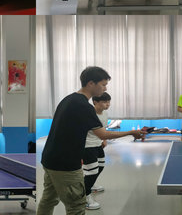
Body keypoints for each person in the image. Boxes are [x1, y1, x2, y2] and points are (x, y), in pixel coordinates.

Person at [38, 66, 144, 215]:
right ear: (91, 84)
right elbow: (103, 135)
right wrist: (131, 132)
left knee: (48, 200)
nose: (105, 88)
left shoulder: (68, 99)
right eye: (103, 84)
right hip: (66, 164)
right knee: (76, 205)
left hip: (49, 159)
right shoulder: (84, 106)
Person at [82, 92, 111, 210]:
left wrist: (104, 139)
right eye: (104, 102)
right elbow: (81, 131)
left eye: (108, 102)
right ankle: (84, 196)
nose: (107, 104)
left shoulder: (105, 113)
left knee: (101, 166)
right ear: (95, 102)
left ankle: (90, 184)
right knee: (92, 171)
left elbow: (103, 128)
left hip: (98, 144)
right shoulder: (89, 114)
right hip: (87, 145)